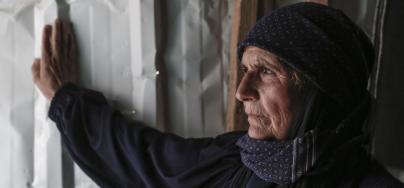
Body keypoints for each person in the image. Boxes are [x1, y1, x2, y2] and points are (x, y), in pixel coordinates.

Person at [31, 2, 404, 188]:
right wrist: (66, 100)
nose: (242, 92)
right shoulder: (238, 162)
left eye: (267, 71)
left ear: (323, 86)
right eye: (245, 70)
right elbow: (147, 161)